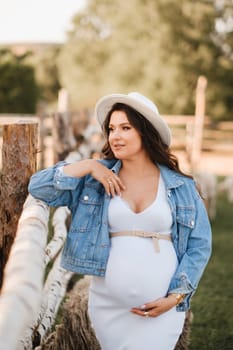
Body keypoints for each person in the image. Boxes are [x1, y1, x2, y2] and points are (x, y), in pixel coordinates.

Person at [28, 92, 212, 350]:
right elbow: (39, 187)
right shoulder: (96, 181)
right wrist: (89, 165)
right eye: (112, 128)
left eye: (126, 127)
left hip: (162, 308)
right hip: (107, 306)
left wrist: (176, 297)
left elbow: (199, 245)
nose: (115, 135)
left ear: (146, 132)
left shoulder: (181, 186)